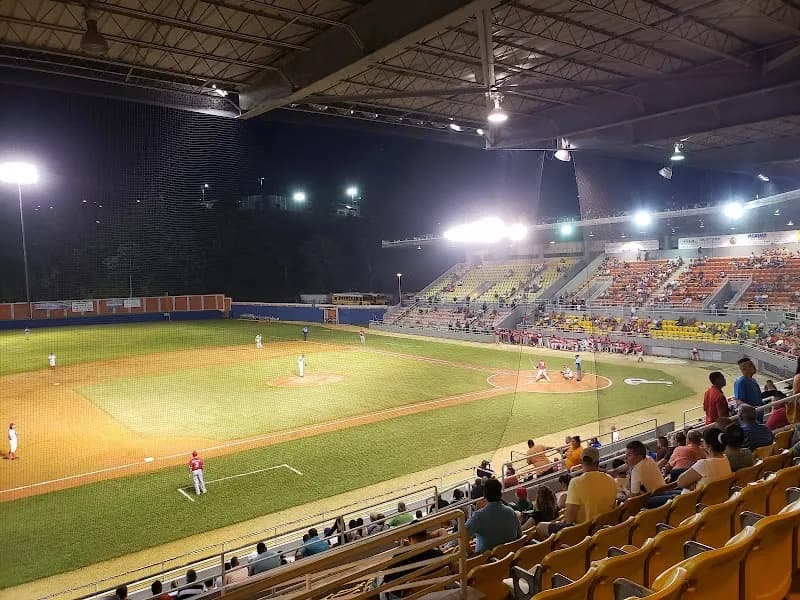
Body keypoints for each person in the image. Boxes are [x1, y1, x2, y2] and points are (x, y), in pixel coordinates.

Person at [535, 447, 617, 538]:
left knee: (540, 527)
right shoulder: (610, 479)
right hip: (604, 527)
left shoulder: (576, 483)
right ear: (598, 462)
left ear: (581, 462)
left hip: (583, 532)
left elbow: (570, 519)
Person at [465, 478, 522, 553]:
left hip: (485, 561)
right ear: (500, 494)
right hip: (509, 558)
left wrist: (471, 554)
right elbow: (519, 535)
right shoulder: (510, 512)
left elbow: (462, 538)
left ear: (484, 495)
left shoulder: (478, 516)